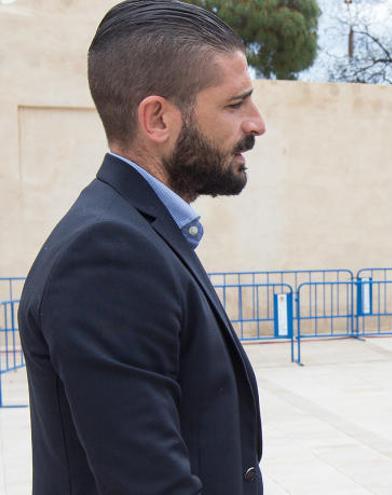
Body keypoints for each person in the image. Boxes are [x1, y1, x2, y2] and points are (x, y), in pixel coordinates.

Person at [18, 1, 267, 493]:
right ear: (157, 119)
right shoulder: (107, 255)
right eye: (235, 104)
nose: (257, 124)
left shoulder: (137, 231)